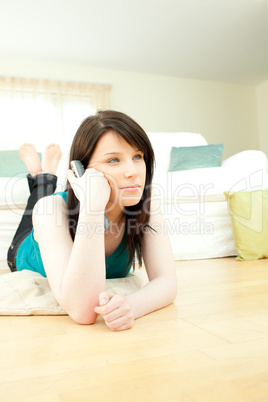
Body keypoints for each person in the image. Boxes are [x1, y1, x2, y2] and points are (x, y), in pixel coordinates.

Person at [7, 110, 177, 331]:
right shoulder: (50, 209)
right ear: (81, 171)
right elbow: (83, 311)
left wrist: (130, 307)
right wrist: (92, 207)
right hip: (24, 248)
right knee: (40, 201)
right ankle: (42, 176)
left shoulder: (146, 207)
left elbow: (167, 283)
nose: (132, 171)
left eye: (138, 156)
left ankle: (45, 174)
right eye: (114, 159)